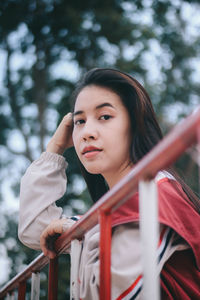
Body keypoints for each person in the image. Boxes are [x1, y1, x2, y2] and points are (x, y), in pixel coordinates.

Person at [18, 68, 200, 299]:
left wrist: (83, 232)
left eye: (104, 116)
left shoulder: (154, 191)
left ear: (135, 125)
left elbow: (108, 291)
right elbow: (35, 231)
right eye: (79, 121)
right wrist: (55, 148)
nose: (87, 133)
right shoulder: (119, 203)